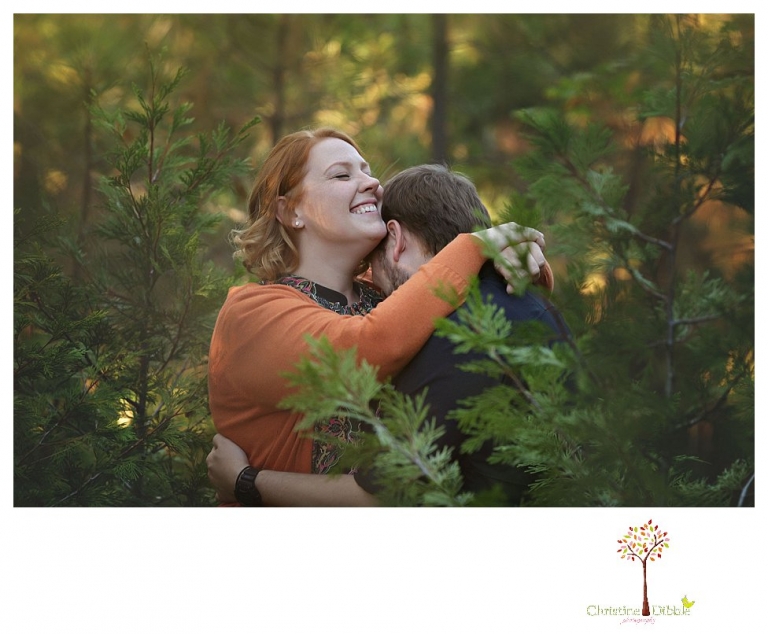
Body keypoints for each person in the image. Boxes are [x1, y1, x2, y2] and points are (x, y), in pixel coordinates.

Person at [208, 159, 566, 506]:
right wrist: (480, 250)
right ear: (289, 211)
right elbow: (367, 340)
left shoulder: (407, 312)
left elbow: (383, 495)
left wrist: (247, 482)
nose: (370, 183)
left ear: (394, 240)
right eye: (341, 174)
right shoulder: (254, 309)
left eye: (366, 170)